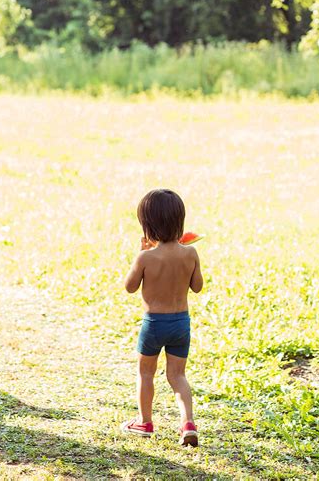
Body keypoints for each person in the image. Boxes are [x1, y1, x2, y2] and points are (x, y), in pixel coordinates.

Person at [121, 189, 203, 447]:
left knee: (146, 373)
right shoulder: (190, 254)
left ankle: (144, 422)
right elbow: (197, 287)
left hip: (154, 324)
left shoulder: (146, 257)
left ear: (148, 226)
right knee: (177, 375)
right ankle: (187, 423)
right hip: (181, 323)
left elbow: (130, 287)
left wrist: (139, 256)